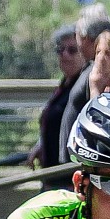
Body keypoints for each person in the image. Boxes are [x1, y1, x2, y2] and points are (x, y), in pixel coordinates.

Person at [66, 30, 110, 159]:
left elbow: (101, 130)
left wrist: (94, 89)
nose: (100, 59)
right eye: (98, 52)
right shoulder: (108, 88)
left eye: (108, 53)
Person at [33, 25, 88, 168]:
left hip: (69, 174)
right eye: (60, 50)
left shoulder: (85, 85)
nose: (65, 55)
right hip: (52, 173)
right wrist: (41, 145)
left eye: (72, 50)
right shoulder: (64, 86)